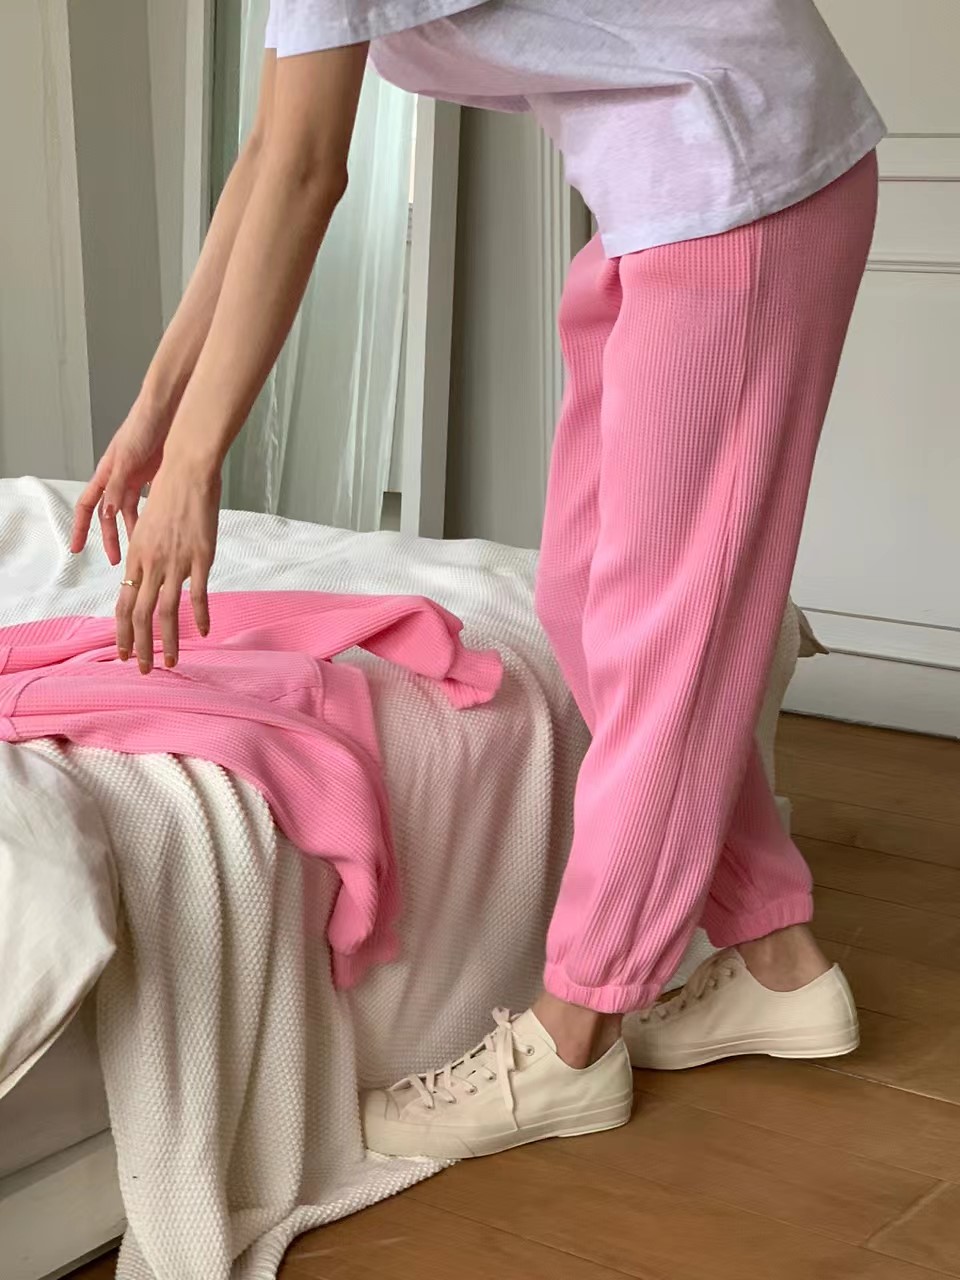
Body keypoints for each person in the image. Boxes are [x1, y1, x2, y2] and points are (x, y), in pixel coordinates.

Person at [71, 0, 884, 1160]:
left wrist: (201, 465)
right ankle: (776, 956)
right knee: (582, 604)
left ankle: (575, 1031)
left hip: (741, 180)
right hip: (659, 194)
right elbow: (265, 155)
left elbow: (306, 172)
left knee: (664, 636)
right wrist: (158, 417)